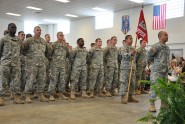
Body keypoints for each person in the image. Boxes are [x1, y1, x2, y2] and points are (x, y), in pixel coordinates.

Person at [23, 26, 52, 103]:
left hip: (41, 64)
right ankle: (27, 95)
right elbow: (23, 51)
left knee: (41, 80)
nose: (39, 31)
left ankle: (41, 95)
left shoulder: (43, 41)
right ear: (34, 31)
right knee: (30, 80)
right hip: (31, 65)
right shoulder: (28, 41)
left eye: (40, 30)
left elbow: (47, 52)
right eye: (37, 30)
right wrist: (30, 59)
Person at [0, 23, 24, 105]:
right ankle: (1, 97)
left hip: (16, 63)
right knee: (3, 80)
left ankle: (16, 98)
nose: (14, 29)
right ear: (8, 28)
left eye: (15, 28)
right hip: (6, 62)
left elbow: (21, 51)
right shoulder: (3, 39)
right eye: (12, 27)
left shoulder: (19, 40)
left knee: (16, 81)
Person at [148, 31, 170, 112]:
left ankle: (164, 105)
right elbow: (149, 55)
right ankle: (152, 105)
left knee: (164, 89)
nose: (167, 36)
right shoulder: (156, 46)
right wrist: (153, 64)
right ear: (160, 36)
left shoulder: (167, 48)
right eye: (165, 35)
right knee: (154, 87)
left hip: (165, 72)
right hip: (156, 71)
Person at [48, 32, 69, 101]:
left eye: (63, 35)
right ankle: (51, 94)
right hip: (55, 65)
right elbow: (49, 54)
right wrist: (53, 62)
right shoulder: (54, 44)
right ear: (57, 36)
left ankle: (61, 94)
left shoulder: (64, 45)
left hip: (62, 65)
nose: (62, 36)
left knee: (62, 80)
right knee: (53, 80)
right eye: (60, 35)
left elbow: (67, 54)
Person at [118, 35, 138, 104]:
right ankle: (123, 96)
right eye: (130, 39)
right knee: (124, 82)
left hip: (132, 68)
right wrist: (131, 53)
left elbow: (135, 59)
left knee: (132, 82)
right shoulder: (123, 48)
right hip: (125, 68)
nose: (132, 40)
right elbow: (124, 55)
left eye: (132, 39)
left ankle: (130, 96)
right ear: (126, 40)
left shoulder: (133, 48)